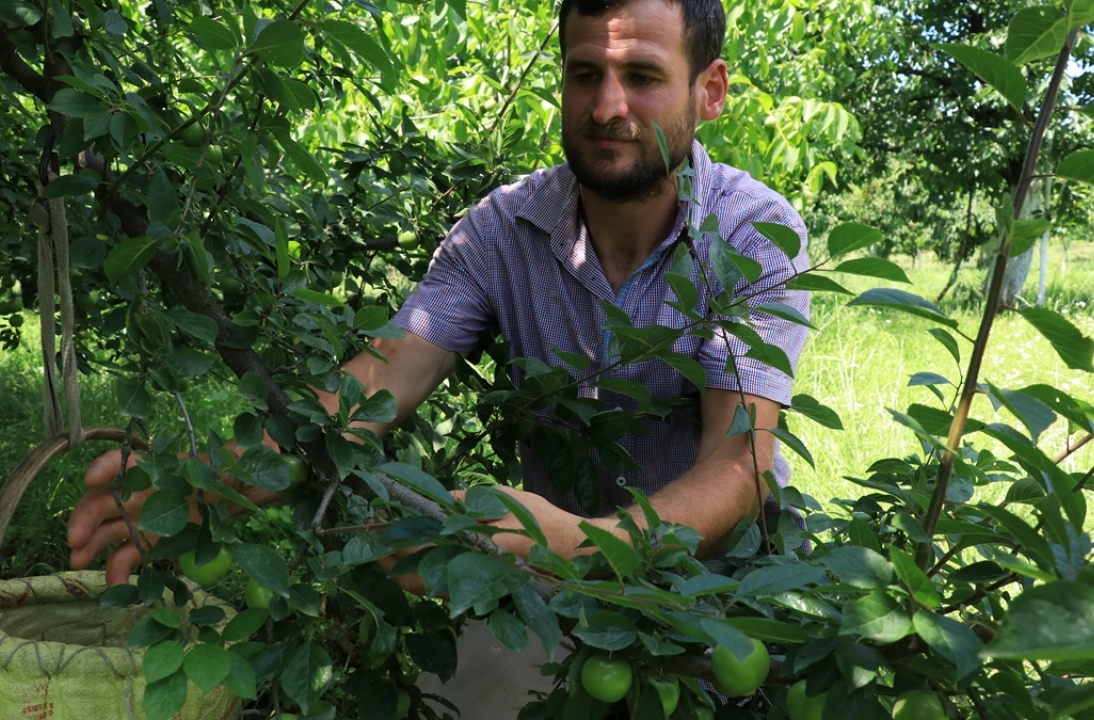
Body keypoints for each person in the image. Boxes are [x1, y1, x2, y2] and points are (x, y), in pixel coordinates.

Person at [68, 0, 809, 715]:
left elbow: (739, 461)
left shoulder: (752, 237)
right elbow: (377, 383)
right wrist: (214, 484)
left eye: (642, 76)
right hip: (536, 597)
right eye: (584, 74)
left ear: (707, 90)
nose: (606, 105)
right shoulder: (499, 232)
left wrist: (588, 544)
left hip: (712, 608)